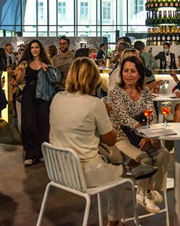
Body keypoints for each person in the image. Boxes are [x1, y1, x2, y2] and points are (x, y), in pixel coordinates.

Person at [49, 57, 158, 226]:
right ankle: (113, 222)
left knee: (116, 158)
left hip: (58, 170)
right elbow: (111, 138)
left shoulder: (57, 98)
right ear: (93, 78)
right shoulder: (94, 104)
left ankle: (139, 172)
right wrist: (106, 114)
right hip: (85, 173)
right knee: (121, 175)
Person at [108, 56, 169, 214]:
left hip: (143, 136)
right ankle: (142, 194)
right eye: (125, 71)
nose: (128, 74)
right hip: (121, 138)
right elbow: (124, 118)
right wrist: (145, 134)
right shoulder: (116, 93)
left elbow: (152, 116)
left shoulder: (146, 92)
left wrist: (152, 136)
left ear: (140, 74)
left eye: (132, 71)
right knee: (145, 159)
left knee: (163, 154)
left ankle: (148, 191)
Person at [16, 40, 61, 166]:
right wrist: (21, 71)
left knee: (43, 123)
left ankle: (42, 153)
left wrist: (47, 70)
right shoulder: (25, 63)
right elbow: (18, 81)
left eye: (36, 47)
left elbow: (54, 79)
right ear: (29, 50)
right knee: (29, 123)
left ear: (40, 49)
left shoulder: (46, 63)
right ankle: (30, 153)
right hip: (29, 95)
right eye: (32, 48)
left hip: (43, 96)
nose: (34, 50)